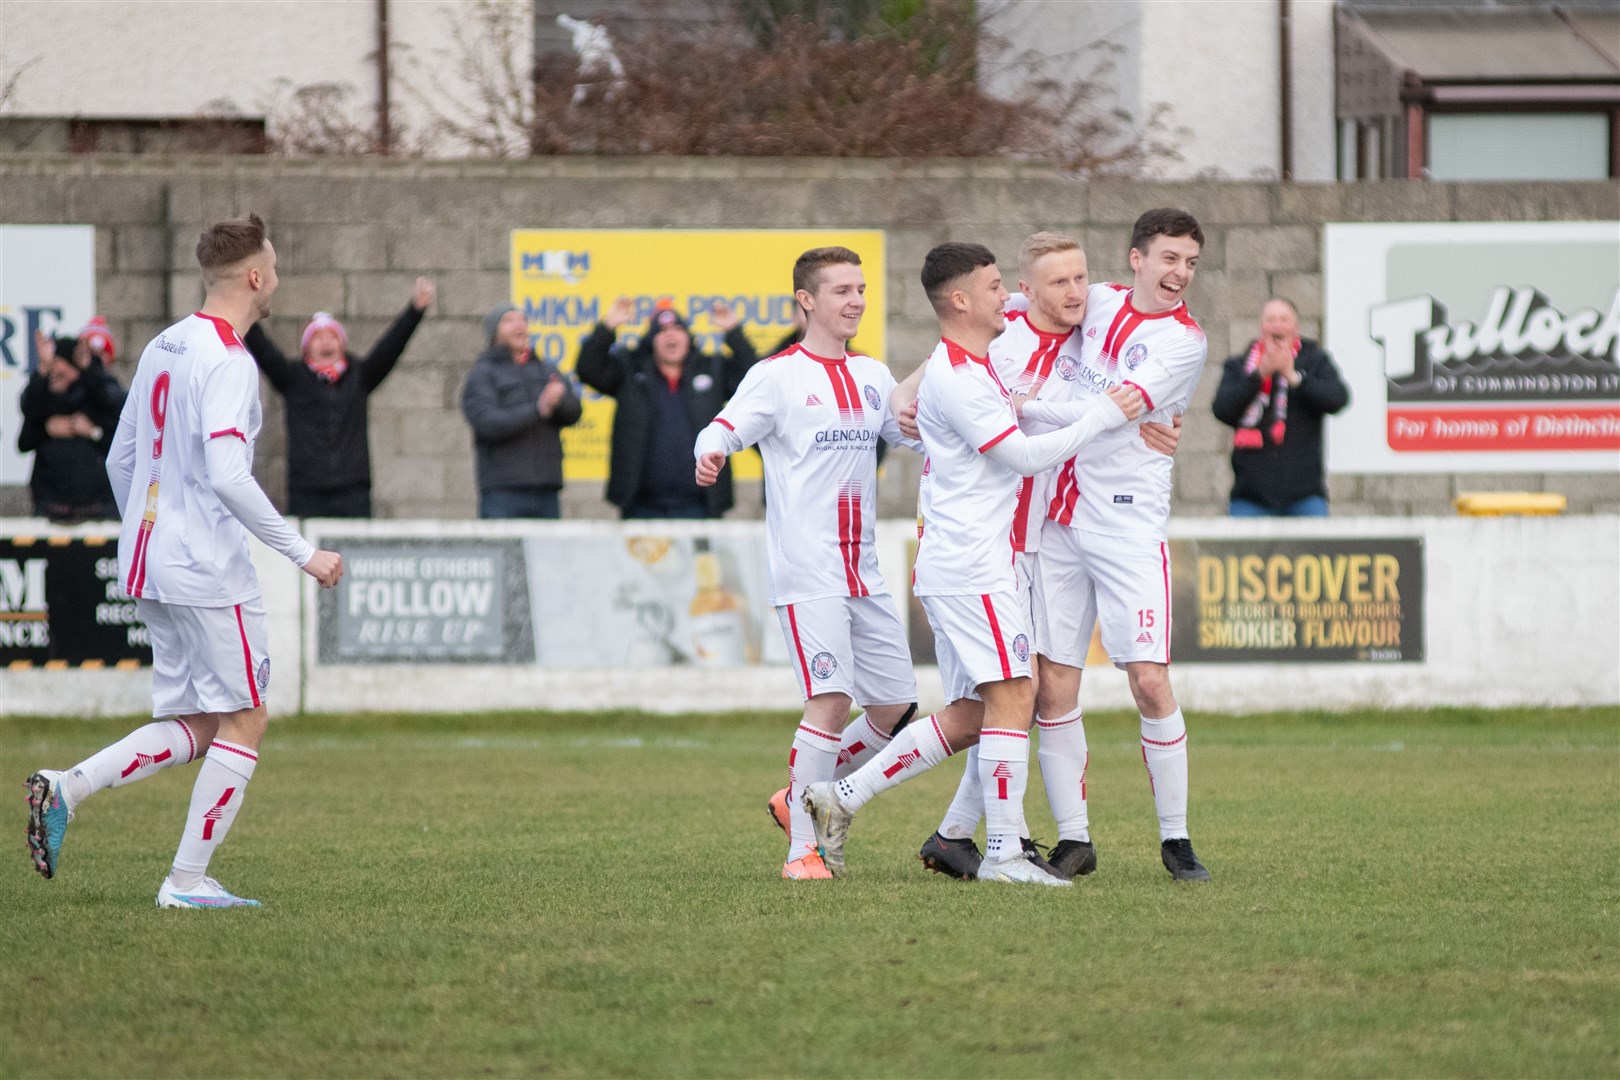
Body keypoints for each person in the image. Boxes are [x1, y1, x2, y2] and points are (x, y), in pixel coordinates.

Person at [24, 212, 344, 908]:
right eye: (277, 266)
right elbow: (229, 476)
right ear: (256, 276)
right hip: (207, 567)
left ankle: (67, 787)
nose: (278, 278)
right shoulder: (229, 360)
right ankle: (187, 883)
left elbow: (121, 457)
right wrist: (303, 553)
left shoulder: (166, 345)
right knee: (248, 716)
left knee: (201, 723)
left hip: (150, 560)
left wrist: (148, 530)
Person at [801, 241, 1143, 887]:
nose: (1004, 297)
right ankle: (1005, 854)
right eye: (992, 287)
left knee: (976, 713)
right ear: (960, 300)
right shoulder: (958, 377)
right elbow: (1024, 457)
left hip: (971, 562)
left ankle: (841, 798)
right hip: (971, 564)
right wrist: (1105, 414)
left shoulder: (970, 367)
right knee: (1019, 693)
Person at [896, 232, 1183, 882]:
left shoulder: (1098, 336)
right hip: (978, 549)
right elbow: (924, 390)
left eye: (1082, 278)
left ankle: (968, 837)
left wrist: (1157, 422)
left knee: (1007, 701)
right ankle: (868, 808)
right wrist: (899, 404)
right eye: (1059, 282)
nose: (1076, 292)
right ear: (1027, 292)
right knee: (992, 701)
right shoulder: (1002, 338)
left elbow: (1145, 390)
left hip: (1039, 541)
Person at [693, 246, 925, 880]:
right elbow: (723, 426)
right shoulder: (777, 377)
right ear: (807, 301)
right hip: (809, 570)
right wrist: (711, 451)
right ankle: (803, 850)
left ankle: (794, 795)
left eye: (861, 289)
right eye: (842, 290)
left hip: (864, 571)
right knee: (830, 698)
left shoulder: (875, 374)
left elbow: (914, 432)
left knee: (895, 710)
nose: (855, 301)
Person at [1028, 207, 1215, 882]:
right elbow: (1021, 303)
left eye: (1190, 263)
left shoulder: (1184, 343)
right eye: (1169, 258)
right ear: (1135, 259)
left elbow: (1113, 412)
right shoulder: (1098, 299)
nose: (1180, 274)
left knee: (1148, 680)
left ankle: (1176, 837)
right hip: (1057, 521)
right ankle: (1074, 839)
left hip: (1127, 525)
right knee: (1052, 686)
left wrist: (1019, 412)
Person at [244, 277, 436, 517]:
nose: (326, 341)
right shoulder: (293, 378)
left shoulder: (359, 376)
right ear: (306, 347)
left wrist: (415, 310)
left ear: (342, 344)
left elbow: (391, 347)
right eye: (318, 336)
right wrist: (243, 305)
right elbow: (262, 348)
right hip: (307, 491)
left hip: (353, 491)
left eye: (332, 336)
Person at [575, 298, 759, 519]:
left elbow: (754, 379)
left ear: (688, 338)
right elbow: (587, 368)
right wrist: (607, 327)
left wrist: (734, 332)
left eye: (678, 328)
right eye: (662, 331)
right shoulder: (629, 369)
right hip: (641, 506)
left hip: (700, 505)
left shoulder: (712, 368)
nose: (670, 335)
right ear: (652, 341)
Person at [1212, 297, 1350, 517]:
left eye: (1284, 319)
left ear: (1295, 328)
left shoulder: (1314, 360)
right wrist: (1259, 375)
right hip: (1250, 499)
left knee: (1316, 550)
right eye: (1271, 320)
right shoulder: (1240, 365)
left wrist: (1295, 378)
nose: (1277, 325)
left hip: (1306, 498)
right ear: (1261, 327)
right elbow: (1222, 410)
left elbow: (1338, 399)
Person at [462, 303, 583, 519]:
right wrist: (538, 409)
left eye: (523, 320)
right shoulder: (483, 373)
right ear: (493, 331)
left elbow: (575, 412)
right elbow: (487, 422)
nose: (519, 325)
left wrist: (560, 401)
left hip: (547, 490)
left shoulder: (547, 369)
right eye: (509, 320)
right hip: (502, 492)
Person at [17, 329, 126, 522]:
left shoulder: (96, 396)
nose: (53, 372)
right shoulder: (44, 402)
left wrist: (92, 431)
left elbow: (116, 411)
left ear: (74, 368)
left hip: (99, 512)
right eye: (49, 368)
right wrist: (47, 429)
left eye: (59, 365)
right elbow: (24, 439)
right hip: (51, 511)